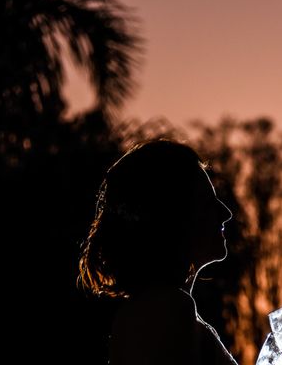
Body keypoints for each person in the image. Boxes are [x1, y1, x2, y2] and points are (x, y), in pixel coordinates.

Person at [78, 139, 237, 365]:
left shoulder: (157, 308)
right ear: (173, 217)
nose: (226, 213)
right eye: (207, 203)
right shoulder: (167, 308)